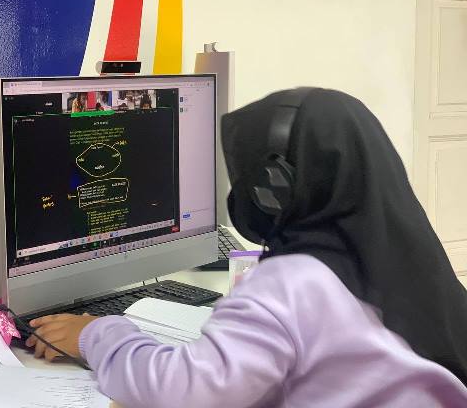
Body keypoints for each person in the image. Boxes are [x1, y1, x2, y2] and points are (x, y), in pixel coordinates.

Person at [27, 88, 467, 407]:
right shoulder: (414, 264)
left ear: (272, 190)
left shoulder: (291, 283)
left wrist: (97, 335)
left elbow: (188, 392)